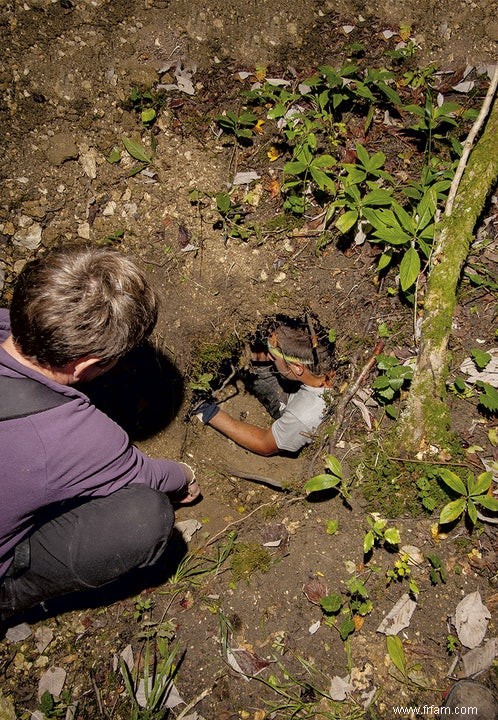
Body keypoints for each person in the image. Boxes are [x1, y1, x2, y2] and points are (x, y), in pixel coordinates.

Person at [0, 246, 200, 626]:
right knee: (146, 515)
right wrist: (187, 476)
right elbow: (150, 477)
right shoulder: (72, 436)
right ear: (87, 364)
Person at [193, 316, 335, 456]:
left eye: (273, 357)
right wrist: (248, 355)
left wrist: (209, 412)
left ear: (298, 368)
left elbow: (264, 444)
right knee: (248, 361)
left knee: (250, 371)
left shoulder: (301, 416)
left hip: (292, 405)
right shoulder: (328, 354)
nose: (269, 357)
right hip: (300, 383)